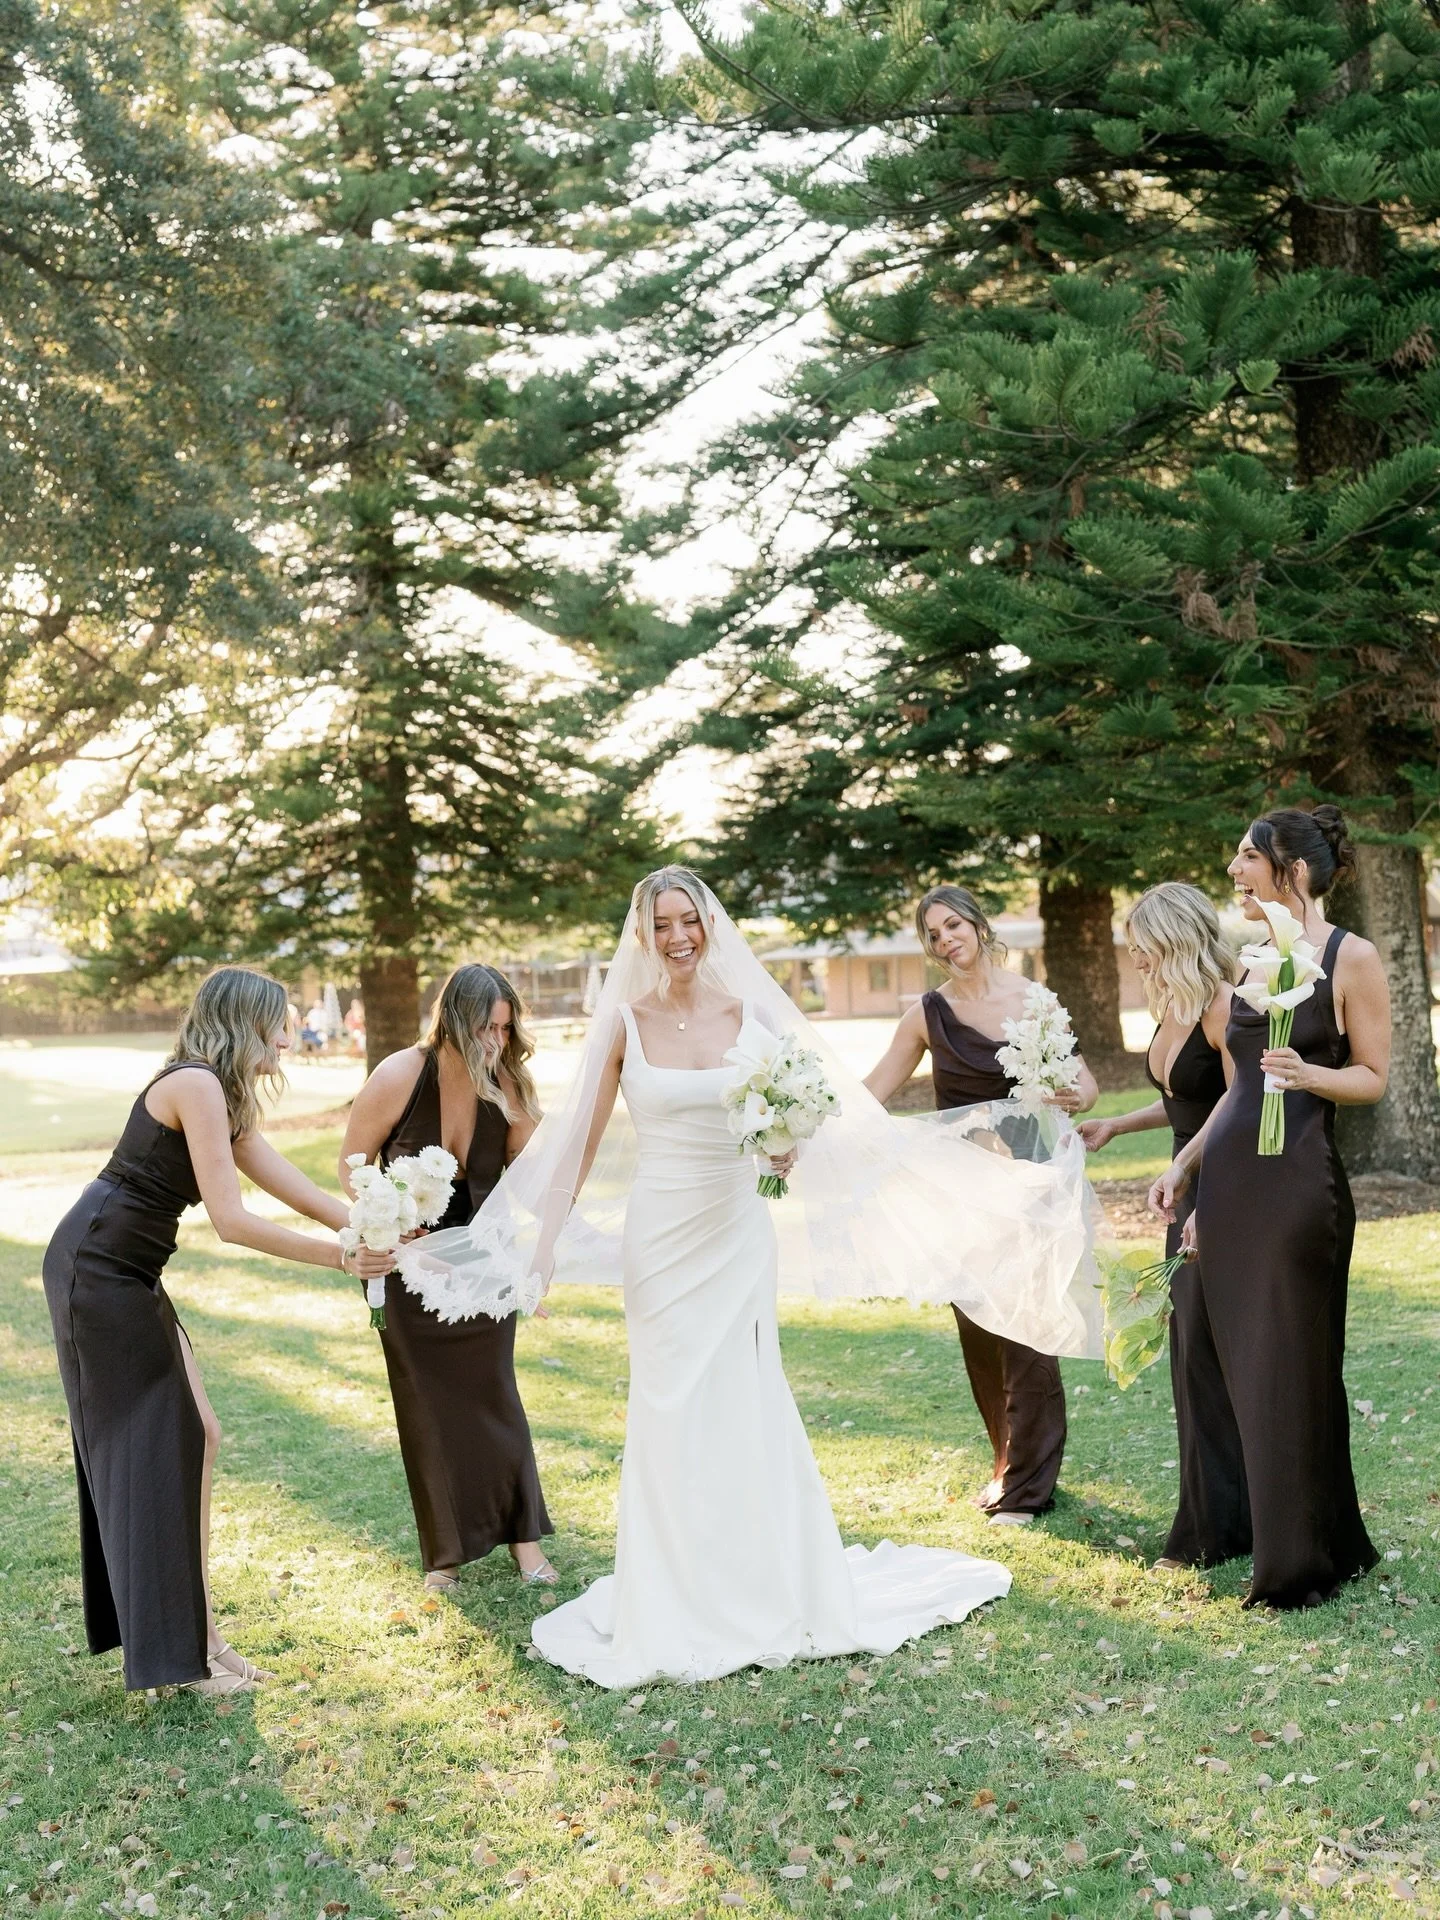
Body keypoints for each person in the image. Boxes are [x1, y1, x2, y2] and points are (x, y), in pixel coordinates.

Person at [41, 966, 392, 1695]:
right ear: (247, 1022)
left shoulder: (219, 1094)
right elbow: (232, 1221)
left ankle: (199, 1635)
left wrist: (372, 1228)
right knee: (166, 1444)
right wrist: (341, 1259)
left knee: (199, 1432)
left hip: (127, 1271)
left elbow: (284, 1181)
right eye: (280, 1023)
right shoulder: (194, 1083)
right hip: (98, 1271)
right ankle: (186, 1652)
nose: (289, 1039)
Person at [1149, 807, 1389, 1609]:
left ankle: (1303, 1559)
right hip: (1230, 1186)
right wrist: (1186, 1167)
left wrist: (1311, 1075)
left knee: (1290, 1364)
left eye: (1248, 856)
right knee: (1237, 1361)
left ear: (1292, 866)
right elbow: (1236, 1089)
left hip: (1296, 1186)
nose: (1234, 870)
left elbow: (1373, 1076)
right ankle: (1246, 1527)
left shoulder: (1352, 956)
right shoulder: (1252, 958)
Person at [863, 887, 1099, 1525]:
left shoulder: (1033, 1000)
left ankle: (1028, 1486)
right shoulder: (925, 1014)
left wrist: (1072, 1094)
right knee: (982, 1333)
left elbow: (1085, 1083)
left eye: (952, 924)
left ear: (977, 924)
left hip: (1029, 1185)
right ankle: (1005, 1463)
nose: (945, 940)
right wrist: (808, 1123)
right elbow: (874, 1092)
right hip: (960, 1193)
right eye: (933, 934)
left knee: (1029, 1329)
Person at [341, 964, 554, 1592]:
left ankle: (525, 1544)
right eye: (485, 1028)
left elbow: (540, 1175)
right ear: (453, 1020)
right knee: (426, 1408)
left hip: (485, 1258)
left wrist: (516, 1102)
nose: (494, 1041)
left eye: (505, 1030)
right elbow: (351, 1162)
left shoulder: (505, 1085)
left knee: (495, 1395)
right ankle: (444, 1557)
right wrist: (388, 1224)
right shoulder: (400, 1075)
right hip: (406, 1265)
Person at [1078, 884, 1240, 1568]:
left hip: (1222, 1190)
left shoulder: (1221, 1006)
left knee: (1211, 1363)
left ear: (1175, 938)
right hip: (1183, 1191)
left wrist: (1201, 1187)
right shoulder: (1174, 1005)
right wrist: (1120, 1123)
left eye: (1141, 943)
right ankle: (1214, 1523)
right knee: (1190, 1364)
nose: (1133, 956)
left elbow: (1238, 1100)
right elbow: (1181, 1099)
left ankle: (1215, 1532)